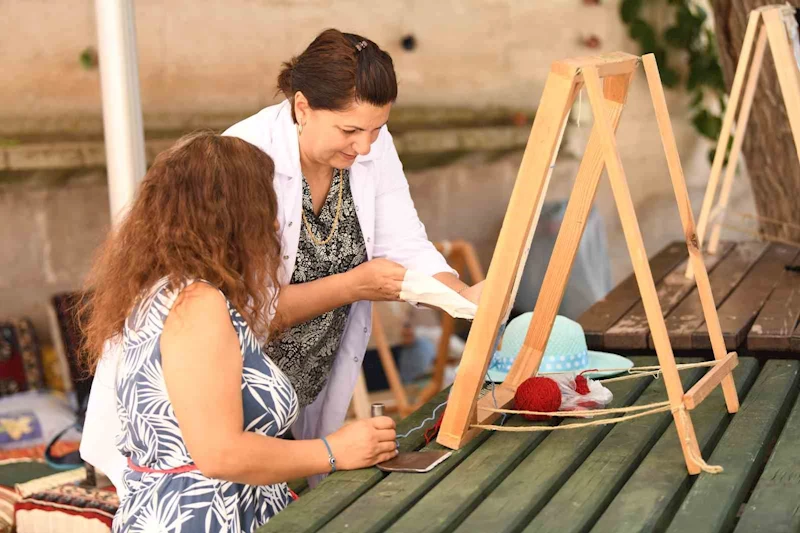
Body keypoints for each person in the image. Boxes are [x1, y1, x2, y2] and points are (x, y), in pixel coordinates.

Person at [81, 28, 483, 490]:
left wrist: (463, 294)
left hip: (277, 409)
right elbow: (243, 310)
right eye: (351, 130)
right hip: (209, 434)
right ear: (302, 106)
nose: (366, 147)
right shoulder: (244, 166)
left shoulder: (370, 144)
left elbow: (406, 243)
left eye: (377, 129)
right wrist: (353, 286)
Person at [79, 133, 398, 532]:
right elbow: (220, 454)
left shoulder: (163, 291)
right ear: (234, 215)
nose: (277, 220)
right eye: (267, 204)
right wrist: (334, 450)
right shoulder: (197, 304)